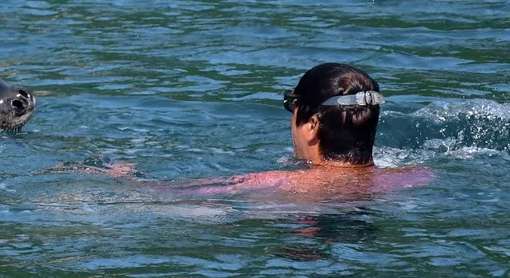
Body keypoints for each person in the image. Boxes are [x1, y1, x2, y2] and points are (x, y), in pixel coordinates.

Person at [53, 63, 431, 201]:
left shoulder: (276, 183)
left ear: (312, 123)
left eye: (292, 107)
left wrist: (122, 177)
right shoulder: (414, 177)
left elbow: (164, 196)